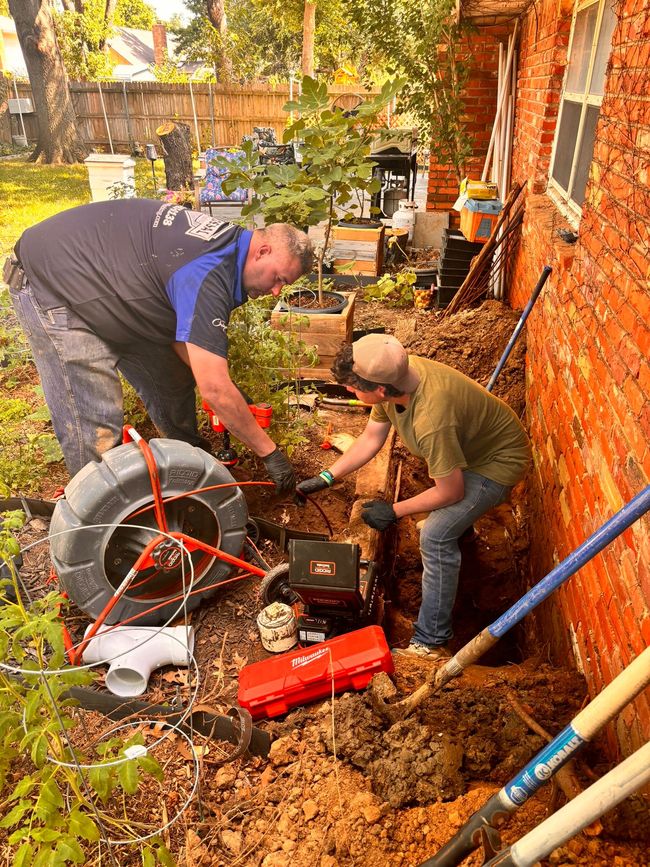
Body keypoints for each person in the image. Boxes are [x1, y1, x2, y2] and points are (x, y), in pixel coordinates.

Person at [5, 198, 313, 495]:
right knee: (96, 422)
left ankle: (189, 466)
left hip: (115, 293)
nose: (275, 291)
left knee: (172, 379)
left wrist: (229, 389)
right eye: (278, 279)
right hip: (56, 282)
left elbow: (186, 337)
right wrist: (269, 453)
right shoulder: (208, 270)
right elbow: (215, 391)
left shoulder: (229, 251)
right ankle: (103, 519)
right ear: (262, 250)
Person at [296, 334, 531, 659]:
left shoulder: (431, 420)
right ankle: (463, 530)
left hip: (496, 464)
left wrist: (394, 510)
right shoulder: (394, 377)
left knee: (435, 536)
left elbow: (451, 490)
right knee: (442, 511)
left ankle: (430, 642)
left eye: (353, 386)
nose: (350, 391)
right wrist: (326, 476)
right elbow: (371, 438)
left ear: (379, 390)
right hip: (471, 451)